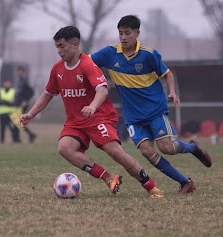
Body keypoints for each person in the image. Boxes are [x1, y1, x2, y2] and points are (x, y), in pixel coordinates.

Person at [20, 26, 163, 198]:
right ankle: (109, 178)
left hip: (98, 117)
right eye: (56, 47)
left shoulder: (88, 65)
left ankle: (150, 186)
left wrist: (92, 106)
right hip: (75, 122)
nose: (59, 50)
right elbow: (48, 94)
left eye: (61, 46)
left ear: (74, 44)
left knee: (115, 152)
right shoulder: (57, 69)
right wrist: (31, 114)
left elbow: (102, 90)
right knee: (65, 148)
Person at [90, 15, 213, 194]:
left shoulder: (148, 54)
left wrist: (172, 91)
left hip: (155, 110)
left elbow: (168, 74)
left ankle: (193, 148)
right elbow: (86, 63)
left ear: (137, 33)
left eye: (127, 33)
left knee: (167, 148)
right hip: (133, 116)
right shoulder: (109, 53)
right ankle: (185, 182)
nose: (123, 37)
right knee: (148, 152)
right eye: (120, 33)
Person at [14, 66, 37, 143]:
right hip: (18, 103)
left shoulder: (25, 81)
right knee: (16, 120)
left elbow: (31, 92)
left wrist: (26, 100)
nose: (19, 73)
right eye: (18, 72)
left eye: (21, 72)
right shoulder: (19, 81)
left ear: (23, 72)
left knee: (17, 120)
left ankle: (17, 139)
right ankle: (29, 134)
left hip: (22, 104)